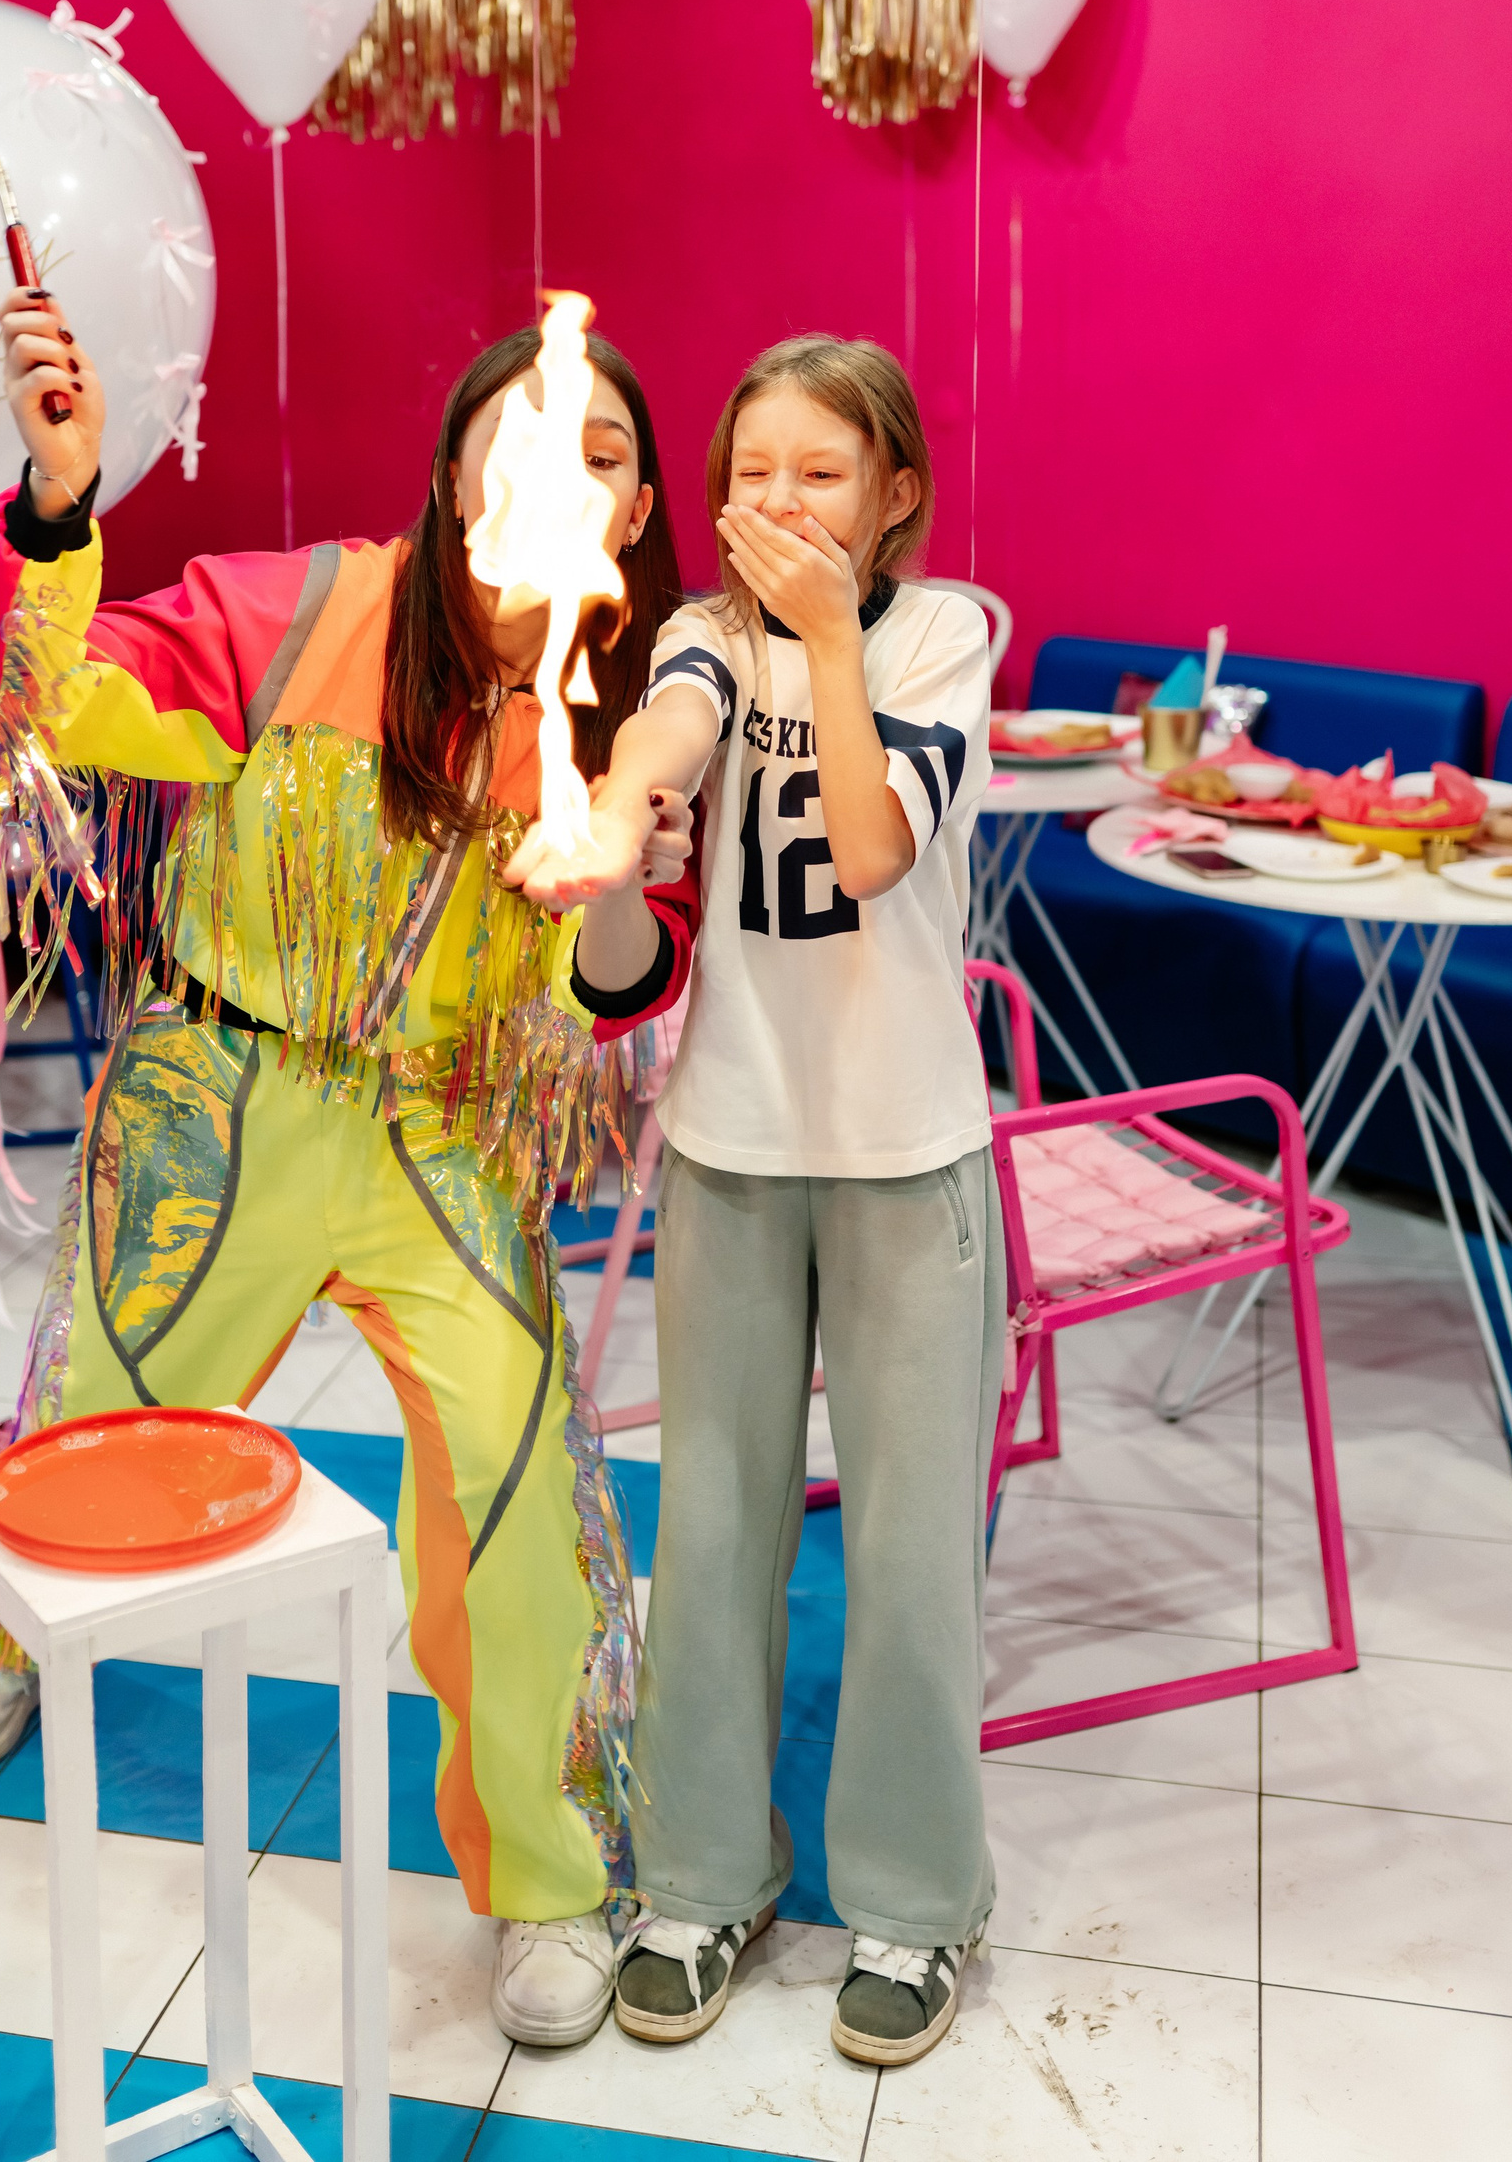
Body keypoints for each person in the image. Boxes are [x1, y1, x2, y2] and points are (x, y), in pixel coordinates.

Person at [0, 283, 695, 2052]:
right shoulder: (307, 607)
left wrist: (617, 882)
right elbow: (33, 696)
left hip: (443, 1135)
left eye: (599, 455)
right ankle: (1, 1645)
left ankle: (551, 1873)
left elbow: (626, 983)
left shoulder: (635, 714)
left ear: (639, 507)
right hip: (218, 1097)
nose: (559, 476)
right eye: (521, 440)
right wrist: (57, 504)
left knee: (520, 1481)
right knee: (89, 1406)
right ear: (456, 474)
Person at [511, 334, 1003, 2069]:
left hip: (908, 1156)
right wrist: (626, 799)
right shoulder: (704, 636)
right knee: (712, 1530)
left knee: (911, 1549)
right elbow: (674, 725)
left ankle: (918, 1900)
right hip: (731, 1145)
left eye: (822, 473)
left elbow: (871, 846)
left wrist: (830, 641)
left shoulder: (944, 637)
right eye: (754, 474)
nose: (780, 503)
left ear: (894, 495)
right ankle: (704, 1874)